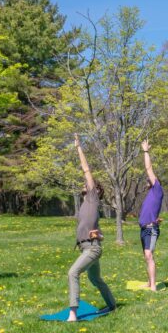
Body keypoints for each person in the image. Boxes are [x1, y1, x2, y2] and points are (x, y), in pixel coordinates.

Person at [67, 134, 117, 322]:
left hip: (92, 248)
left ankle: (73, 312)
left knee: (73, 273)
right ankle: (112, 306)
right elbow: (94, 226)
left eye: (87, 184)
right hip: (89, 246)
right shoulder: (86, 204)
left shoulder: (92, 197)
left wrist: (79, 147)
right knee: (95, 279)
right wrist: (100, 234)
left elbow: (86, 169)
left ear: (94, 189)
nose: (84, 184)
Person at [138, 140, 164, 291]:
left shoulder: (157, 189)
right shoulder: (150, 194)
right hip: (143, 229)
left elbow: (149, 169)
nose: (147, 180)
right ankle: (149, 282)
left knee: (149, 255)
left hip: (151, 229)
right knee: (146, 256)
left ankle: (153, 286)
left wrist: (146, 152)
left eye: (150, 179)